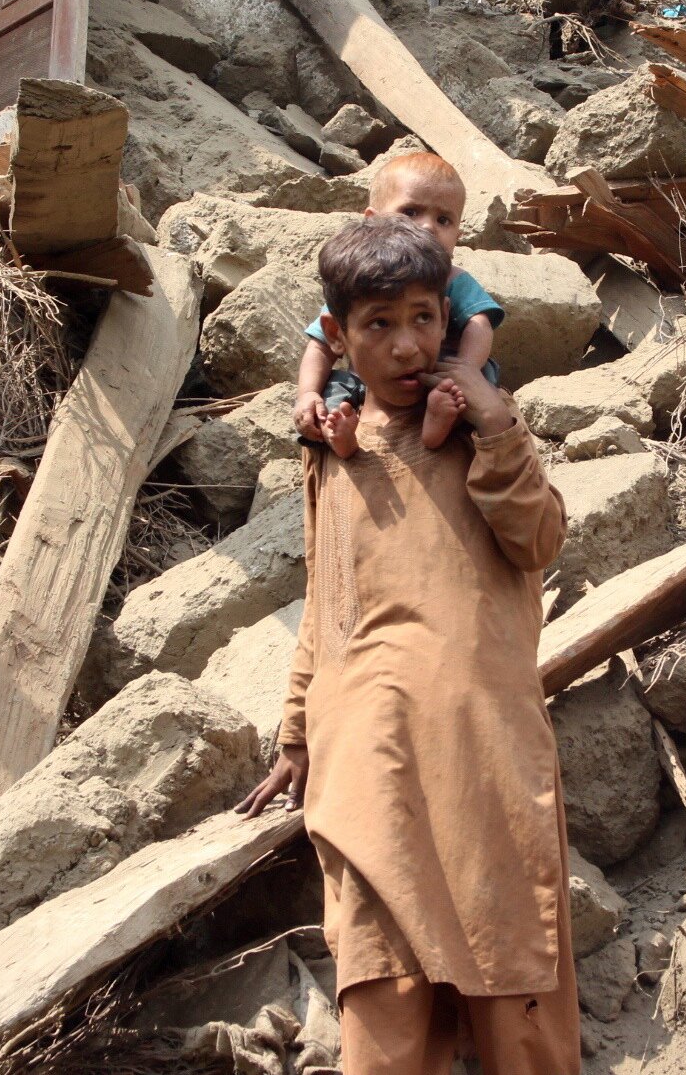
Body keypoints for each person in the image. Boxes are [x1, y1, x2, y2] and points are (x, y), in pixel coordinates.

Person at [239, 216, 580, 1075]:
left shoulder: (479, 428)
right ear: (339, 336)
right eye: (379, 324)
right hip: (367, 756)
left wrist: (497, 425)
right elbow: (326, 600)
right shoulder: (334, 448)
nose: (406, 345)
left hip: (481, 747)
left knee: (513, 969)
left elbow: (539, 540)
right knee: (384, 985)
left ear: (448, 318)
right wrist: (296, 733)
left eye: (424, 318)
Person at [292, 152, 503, 457]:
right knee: (332, 393)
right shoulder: (357, 284)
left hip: (436, 376)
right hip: (367, 381)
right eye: (411, 212)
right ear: (372, 220)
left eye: (443, 220)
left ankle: (443, 422)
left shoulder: (452, 280)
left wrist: (466, 368)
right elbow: (321, 344)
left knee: (481, 383)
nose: (428, 227)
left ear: (458, 235)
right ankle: (338, 436)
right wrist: (307, 393)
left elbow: (479, 323)